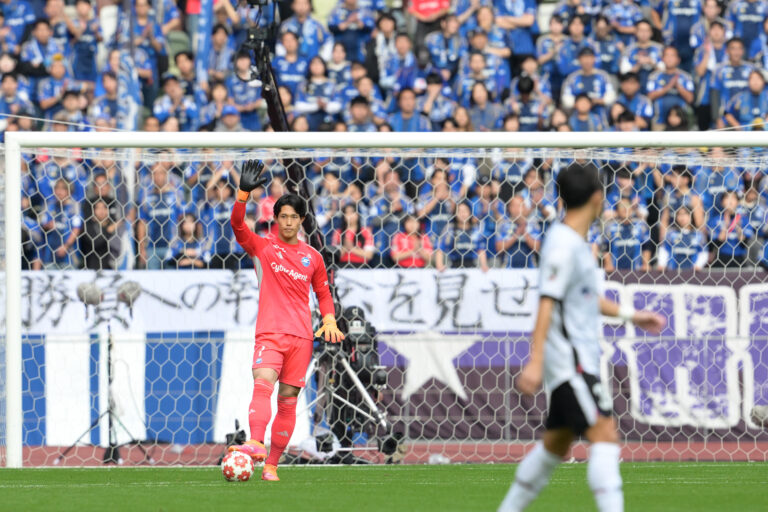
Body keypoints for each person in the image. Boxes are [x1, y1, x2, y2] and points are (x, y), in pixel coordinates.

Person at [499, 163, 665, 512]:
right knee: (605, 436)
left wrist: (633, 315)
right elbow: (547, 301)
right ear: (597, 197)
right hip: (571, 362)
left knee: (555, 447)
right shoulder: (563, 244)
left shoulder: (573, 242)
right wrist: (535, 361)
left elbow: (587, 298)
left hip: (575, 360)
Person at [228, 160, 344, 482]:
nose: (289, 221)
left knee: (288, 402)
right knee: (262, 383)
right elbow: (237, 226)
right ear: (276, 219)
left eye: (294, 217)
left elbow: (323, 293)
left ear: (301, 220)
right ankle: (255, 442)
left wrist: (329, 319)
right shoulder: (262, 247)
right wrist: (243, 195)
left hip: (302, 338)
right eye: (284, 216)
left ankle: (271, 465)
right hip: (270, 333)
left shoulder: (313, 257)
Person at [435, 201, 489, 272]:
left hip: (472, 268)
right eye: (459, 211)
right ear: (455, 213)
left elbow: (481, 250)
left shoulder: (475, 231)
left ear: (470, 212)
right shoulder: (450, 230)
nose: (462, 214)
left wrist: (484, 265)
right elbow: (440, 249)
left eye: (465, 211)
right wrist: (439, 265)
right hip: (454, 268)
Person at [331, 203, 375, 267]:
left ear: (358, 214)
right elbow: (335, 256)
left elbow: (369, 255)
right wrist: (345, 247)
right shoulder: (338, 233)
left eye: (352, 212)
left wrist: (351, 248)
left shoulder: (366, 232)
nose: (350, 215)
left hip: (361, 267)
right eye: (346, 213)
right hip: (342, 266)